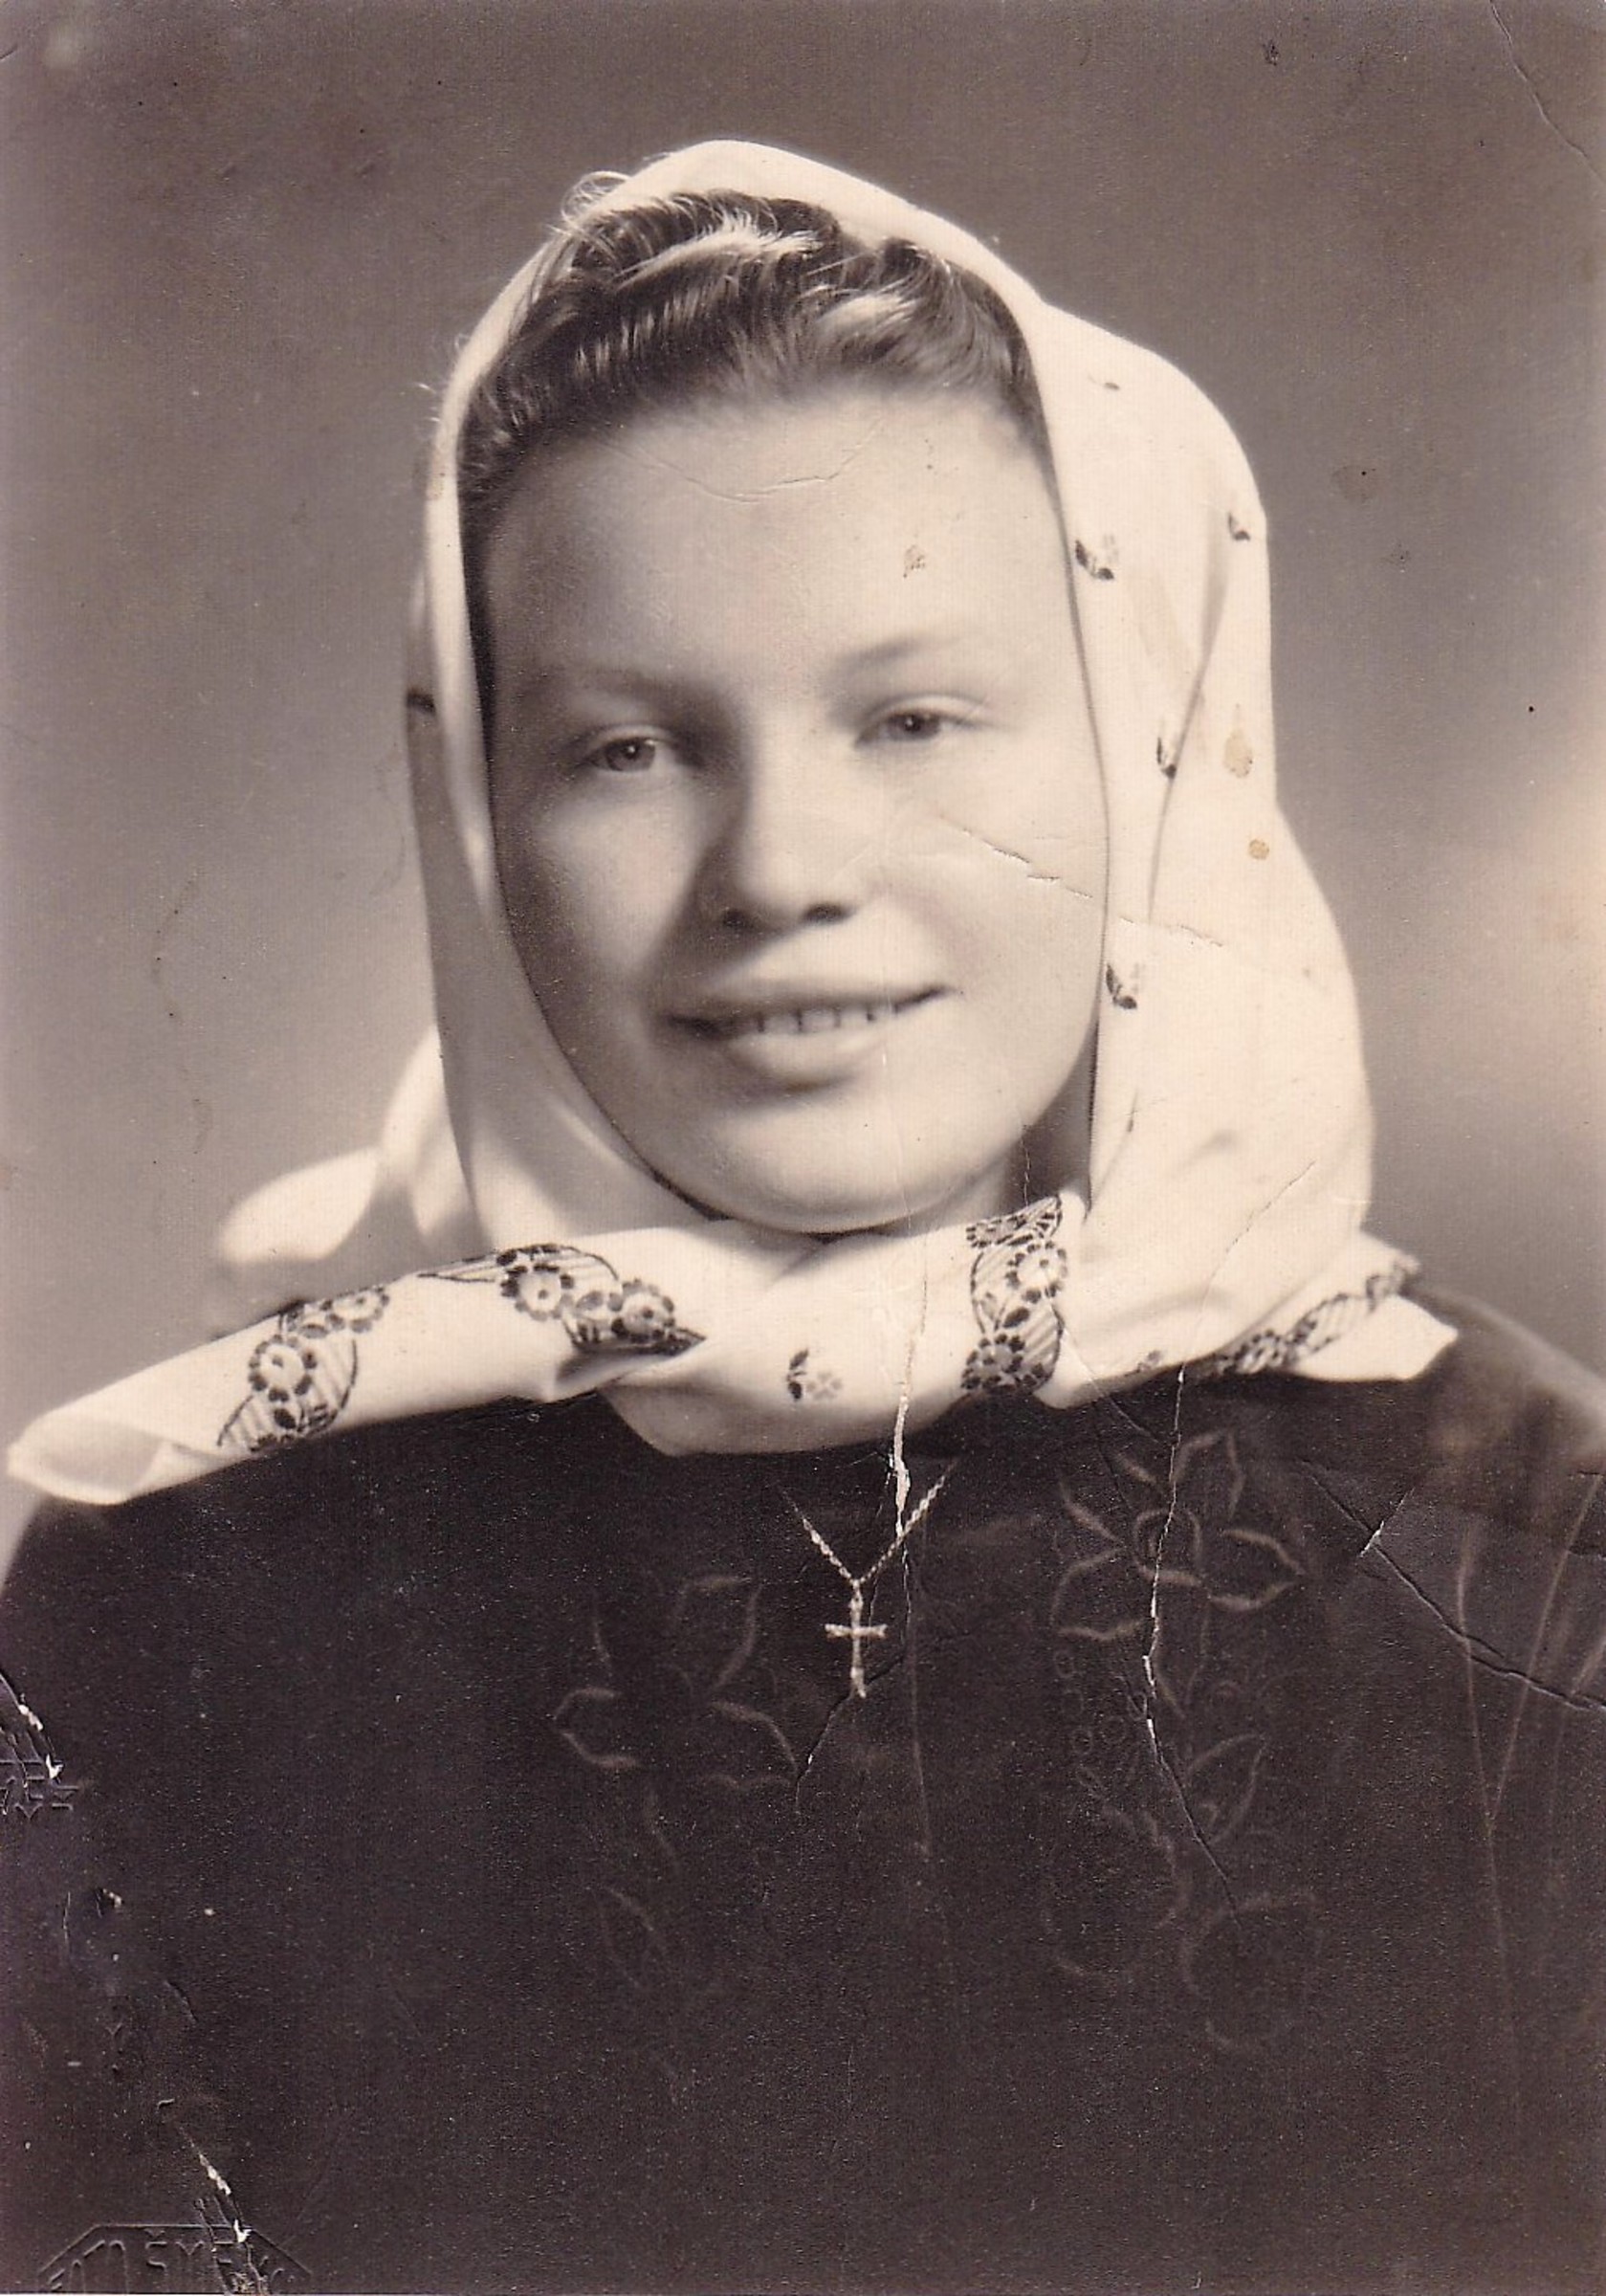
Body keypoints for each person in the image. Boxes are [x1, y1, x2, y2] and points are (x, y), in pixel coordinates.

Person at [3, 141, 1603, 2296]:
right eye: (628, 748)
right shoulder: (168, 1589)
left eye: (913, 719)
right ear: (477, 808)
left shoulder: (1527, 1546)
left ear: (1142, 761)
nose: (779, 870)